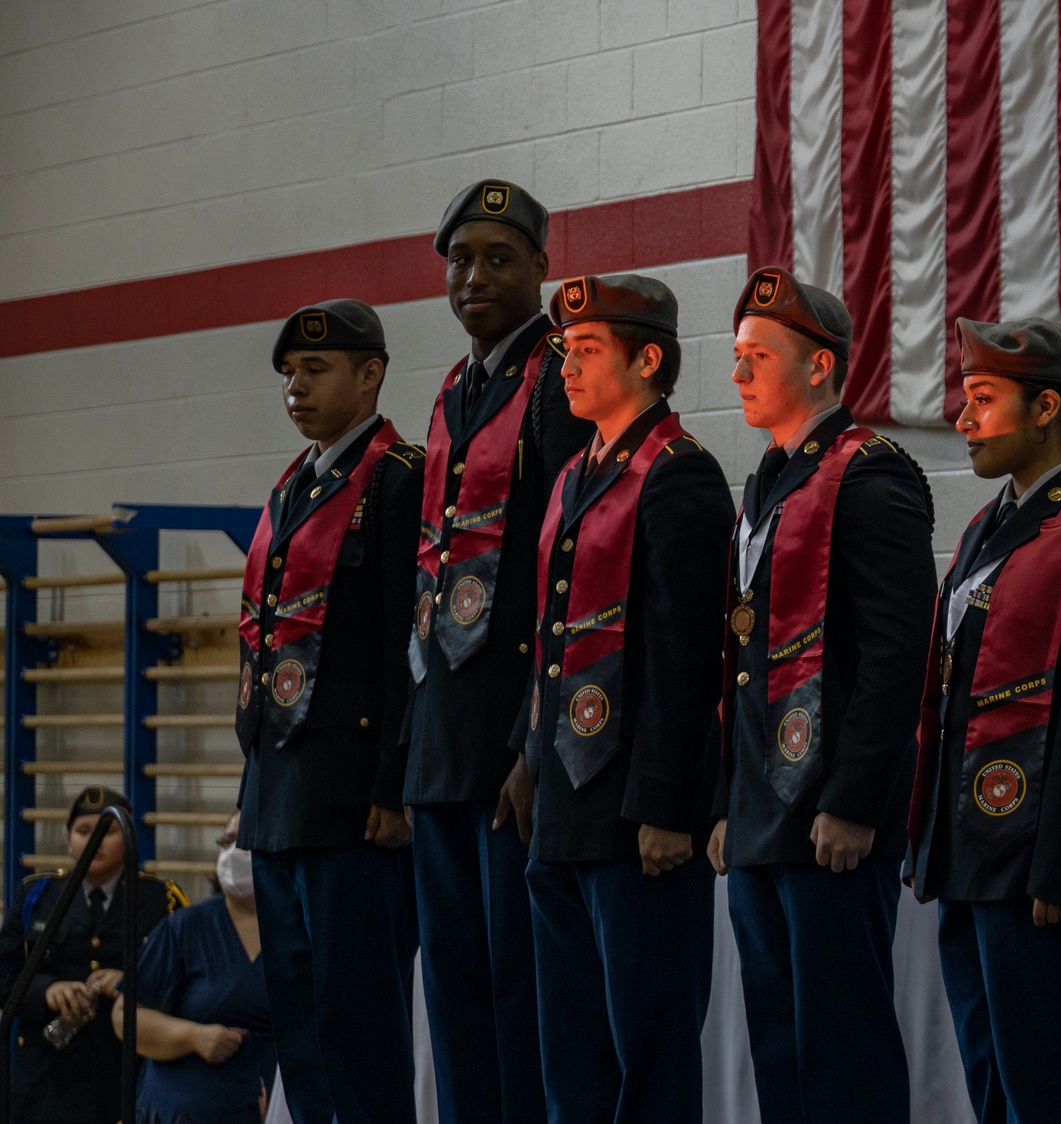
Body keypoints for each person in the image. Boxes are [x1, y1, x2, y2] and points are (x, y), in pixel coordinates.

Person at [707, 267, 934, 1124]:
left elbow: (894, 660)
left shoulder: (874, 476)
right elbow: (745, 663)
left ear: (821, 368)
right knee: (781, 1048)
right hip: (764, 816)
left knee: (843, 1052)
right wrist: (730, 799)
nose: (738, 374)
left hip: (831, 818)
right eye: (736, 356)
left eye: (758, 355)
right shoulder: (767, 478)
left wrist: (854, 800)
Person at [515, 274, 733, 1122]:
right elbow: (554, 644)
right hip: (567, 808)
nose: (567, 365)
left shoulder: (681, 475)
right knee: (570, 1049)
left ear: (648, 359)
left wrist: (668, 807)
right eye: (565, 350)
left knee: (647, 1046)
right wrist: (530, 764)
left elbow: (687, 661)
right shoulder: (575, 473)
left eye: (588, 350)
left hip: (638, 815)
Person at [907, 317, 1061, 1124]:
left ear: (1045, 409)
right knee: (994, 1081)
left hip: (1045, 864)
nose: (962, 420)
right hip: (976, 853)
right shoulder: (981, 530)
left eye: (982, 399)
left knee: (1055, 1085)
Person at [403, 178, 593, 1124]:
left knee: (520, 1000)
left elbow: (574, 579)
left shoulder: (560, 382)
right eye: (461, 259)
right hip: (441, 746)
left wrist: (535, 744)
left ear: (542, 270)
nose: (474, 276)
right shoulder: (452, 390)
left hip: (514, 751)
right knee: (455, 1002)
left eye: (499, 258)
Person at [239, 299, 424, 1124]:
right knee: (299, 1018)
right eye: (289, 374)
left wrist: (392, 781)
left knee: (359, 1022)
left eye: (315, 370)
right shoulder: (293, 489)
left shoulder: (395, 481)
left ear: (371, 373)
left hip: (354, 803)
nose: (296, 389)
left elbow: (406, 650)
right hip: (282, 797)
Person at [0, 787, 183, 1124]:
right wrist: (46, 990)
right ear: (69, 841)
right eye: (83, 831)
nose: (94, 841)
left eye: (107, 831)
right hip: (47, 1079)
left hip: (126, 1072)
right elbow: (4, 975)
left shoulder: (162, 899)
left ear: (128, 839)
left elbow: (185, 981)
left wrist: (132, 982)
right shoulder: (36, 895)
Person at [115, 812, 275, 1124]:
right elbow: (127, 1016)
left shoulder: (301, 930)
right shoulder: (185, 928)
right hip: (183, 1109)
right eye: (227, 841)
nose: (234, 852)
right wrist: (192, 1036)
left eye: (247, 841)